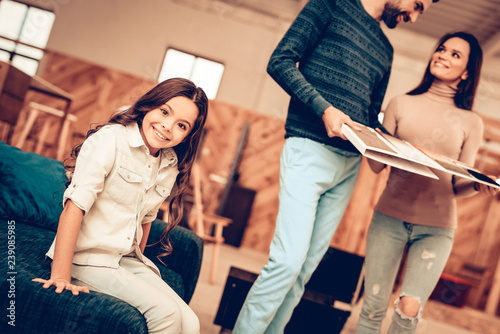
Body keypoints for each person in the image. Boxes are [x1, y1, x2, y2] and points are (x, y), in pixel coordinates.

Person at [233, 0, 438, 333]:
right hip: (308, 149)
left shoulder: (385, 48)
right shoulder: (329, 5)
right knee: (286, 263)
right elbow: (280, 61)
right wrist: (324, 109)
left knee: (303, 272)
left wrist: (401, 147)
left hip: (349, 166)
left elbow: (371, 117)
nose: (412, 18)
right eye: (416, 6)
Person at [33, 77, 208, 334]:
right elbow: (75, 207)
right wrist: (61, 275)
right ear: (150, 104)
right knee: (166, 313)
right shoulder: (111, 140)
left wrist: (136, 260)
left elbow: (147, 218)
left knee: (191, 322)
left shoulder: (168, 163)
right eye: (164, 111)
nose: (167, 126)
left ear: (187, 136)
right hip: (88, 258)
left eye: (181, 125)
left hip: (125, 258)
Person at [355, 32, 498, 334]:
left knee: (410, 309)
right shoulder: (400, 104)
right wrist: (373, 136)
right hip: (388, 219)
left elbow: (456, 185)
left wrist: (478, 185)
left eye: (455, 55)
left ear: (467, 73)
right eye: (442, 49)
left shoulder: (471, 122)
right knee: (372, 306)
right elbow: (377, 165)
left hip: (437, 228)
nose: (443, 55)